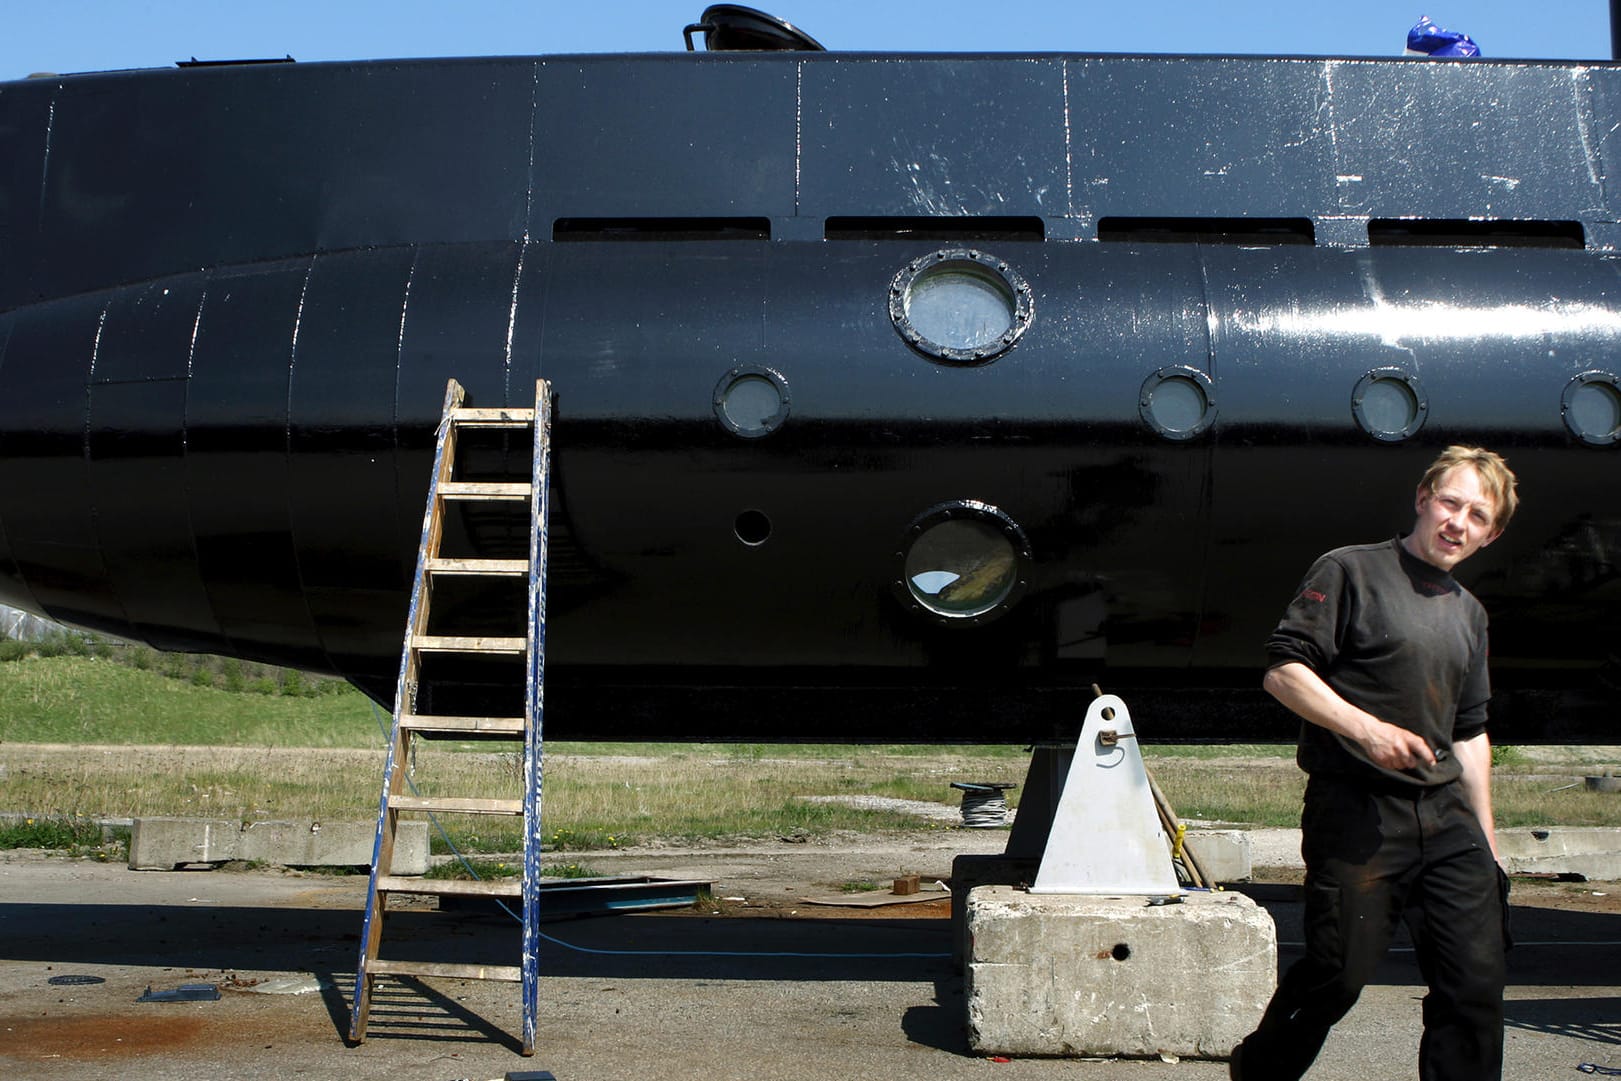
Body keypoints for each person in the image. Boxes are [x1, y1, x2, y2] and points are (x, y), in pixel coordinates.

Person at [1230, 445, 1519, 1081]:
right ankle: (1259, 1069)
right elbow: (1284, 672)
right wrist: (1368, 731)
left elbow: (1469, 734)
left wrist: (1488, 845)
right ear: (1424, 498)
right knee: (1338, 975)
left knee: (1475, 986)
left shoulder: (1470, 613)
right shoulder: (1350, 571)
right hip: (1358, 812)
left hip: (1447, 822)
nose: (1457, 522)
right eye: (1450, 502)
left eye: (1476, 515)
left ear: (1490, 533)